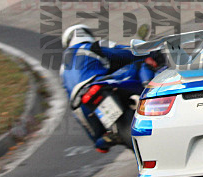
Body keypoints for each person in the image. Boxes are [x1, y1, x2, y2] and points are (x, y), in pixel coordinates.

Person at [60, 24, 161, 152]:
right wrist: (150, 51)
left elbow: (69, 98)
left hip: (80, 104)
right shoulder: (92, 46)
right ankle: (151, 93)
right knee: (141, 63)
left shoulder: (62, 70)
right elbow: (126, 53)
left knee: (99, 143)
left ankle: (109, 137)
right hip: (97, 84)